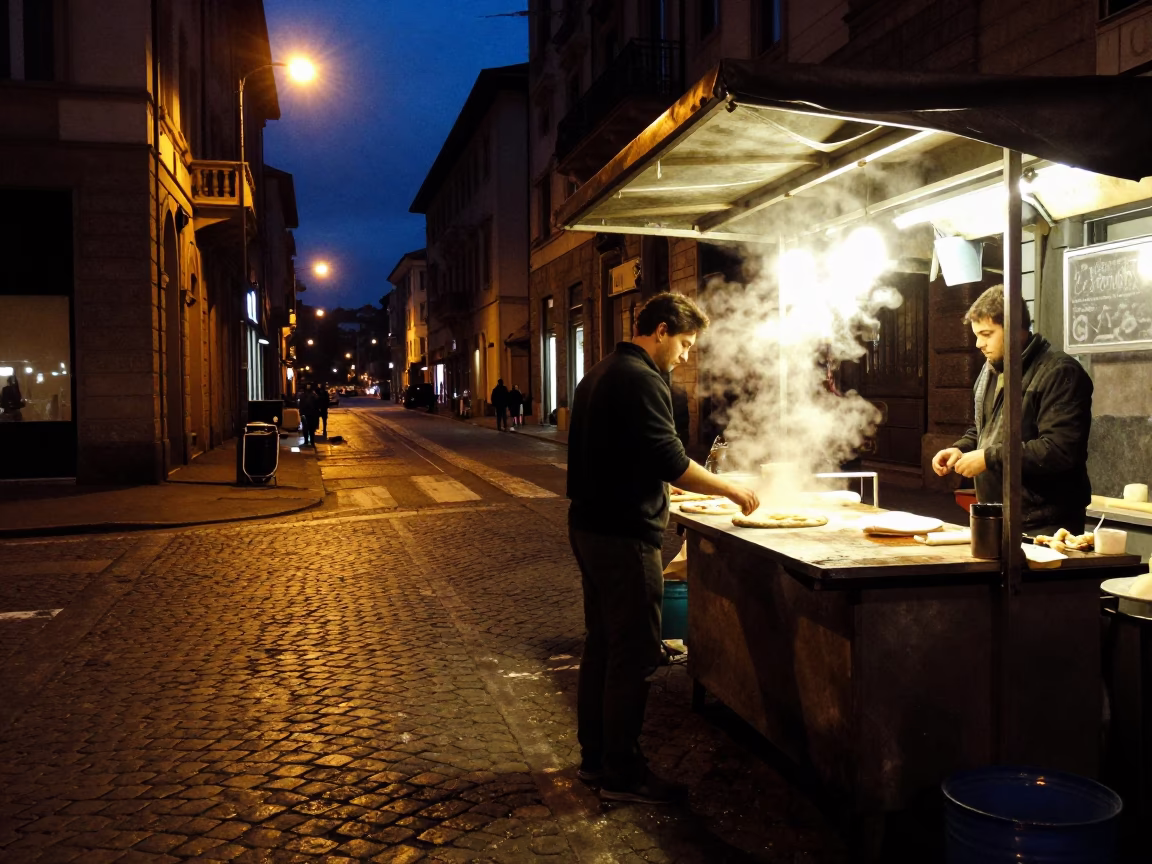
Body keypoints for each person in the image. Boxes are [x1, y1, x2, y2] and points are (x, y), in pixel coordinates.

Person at [567, 292, 759, 805]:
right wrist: (731, 490)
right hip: (623, 535)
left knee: (603, 645)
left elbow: (625, 455)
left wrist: (658, 486)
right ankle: (623, 773)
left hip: (590, 525)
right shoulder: (640, 378)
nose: (686, 355)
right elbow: (669, 457)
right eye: (685, 343)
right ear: (660, 330)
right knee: (634, 653)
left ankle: (595, 758)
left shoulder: (601, 372)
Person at [932, 284, 1093, 535]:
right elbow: (984, 429)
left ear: (1017, 329)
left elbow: (1059, 450)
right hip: (998, 514)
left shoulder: (1059, 372)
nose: (978, 344)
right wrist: (961, 448)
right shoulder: (989, 370)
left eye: (986, 334)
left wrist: (988, 457)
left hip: (1047, 523)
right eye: (976, 335)